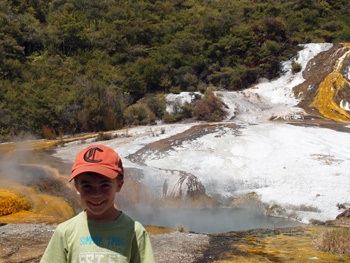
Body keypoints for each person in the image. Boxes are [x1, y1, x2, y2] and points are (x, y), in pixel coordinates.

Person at [41, 145, 155, 263]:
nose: (96, 194)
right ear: (77, 187)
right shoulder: (65, 232)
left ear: (119, 185)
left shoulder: (135, 232)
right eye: (87, 186)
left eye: (104, 185)